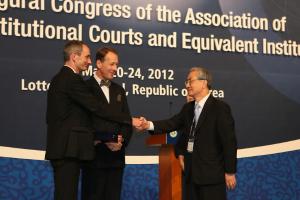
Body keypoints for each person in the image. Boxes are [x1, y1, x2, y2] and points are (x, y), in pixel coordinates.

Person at [45, 41, 140, 200]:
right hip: (68, 150)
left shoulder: (62, 78)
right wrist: (129, 120)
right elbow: (97, 108)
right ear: (74, 57)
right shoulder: (72, 79)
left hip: (67, 150)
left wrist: (118, 138)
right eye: (87, 57)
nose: (89, 61)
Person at [137, 67, 237, 200]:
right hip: (191, 176)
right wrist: (147, 124)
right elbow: (171, 123)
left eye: (191, 81)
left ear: (204, 83)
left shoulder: (220, 108)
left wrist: (230, 171)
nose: (187, 85)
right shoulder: (188, 108)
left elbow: (229, 142)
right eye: (186, 82)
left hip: (211, 177)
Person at [81, 47, 132, 200]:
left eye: (117, 65)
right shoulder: (84, 88)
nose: (115, 68)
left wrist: (120, 141)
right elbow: (83, 121)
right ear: (98, 63)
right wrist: (98, 139)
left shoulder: (119, 90)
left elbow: (126, 121)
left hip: (116, 160)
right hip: (94, 159)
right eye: (111, 64)